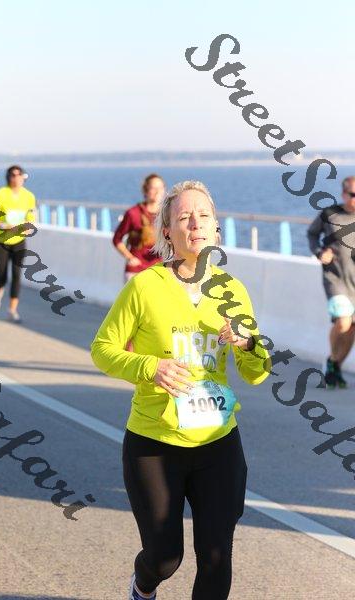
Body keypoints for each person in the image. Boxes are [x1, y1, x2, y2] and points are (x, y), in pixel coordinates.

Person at [91, 181, 270, 599]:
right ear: (167, 231)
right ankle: (143, 586)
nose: (195, 225)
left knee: (217, 556)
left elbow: (257, 373)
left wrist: (248, 344)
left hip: (218, 442)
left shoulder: (232, 291)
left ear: (216, 228)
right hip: (154, 442)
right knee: (164, 558)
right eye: (184, 217)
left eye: (204, 216)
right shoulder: (145, 286)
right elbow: (103, 349)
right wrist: (149, 367)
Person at [307, 176, 355, 389]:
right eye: (353, 194)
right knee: (343, 321)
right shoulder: (329, 214)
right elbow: (312, 234)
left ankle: (335, 365)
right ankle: (333, 362)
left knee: (352, 328)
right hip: (334, 278)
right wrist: (319, 252)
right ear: (344, 194)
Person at [0, 165, 36, 323]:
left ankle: (12, 310)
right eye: (12, 175)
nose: (16, 178)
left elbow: (31, 217)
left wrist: (28, 227)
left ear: (23, 177)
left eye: (18, 175)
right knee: (2, 276)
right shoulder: (1, 193)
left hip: (18, 241)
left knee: (16, 275)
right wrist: (4, 226)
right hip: (0, 242)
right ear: (8, 177)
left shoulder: (29, 196)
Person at [112, 173, 165, 282]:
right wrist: (130, 258)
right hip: (136, 271)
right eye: (153, 188)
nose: (157, 191)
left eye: (160, 188)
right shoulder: (133, 213)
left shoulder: (167, 214)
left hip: (158, 270)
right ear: (145, 190)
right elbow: (117, 239)